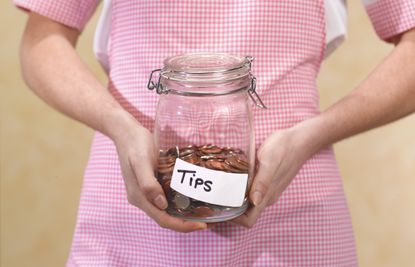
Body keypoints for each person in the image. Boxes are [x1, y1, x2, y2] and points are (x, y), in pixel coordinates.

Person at [15, 0, 415, 266]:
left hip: (290, 215)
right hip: (129, 212)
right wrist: (119, 126)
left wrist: (315, 133)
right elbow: (42, 40)